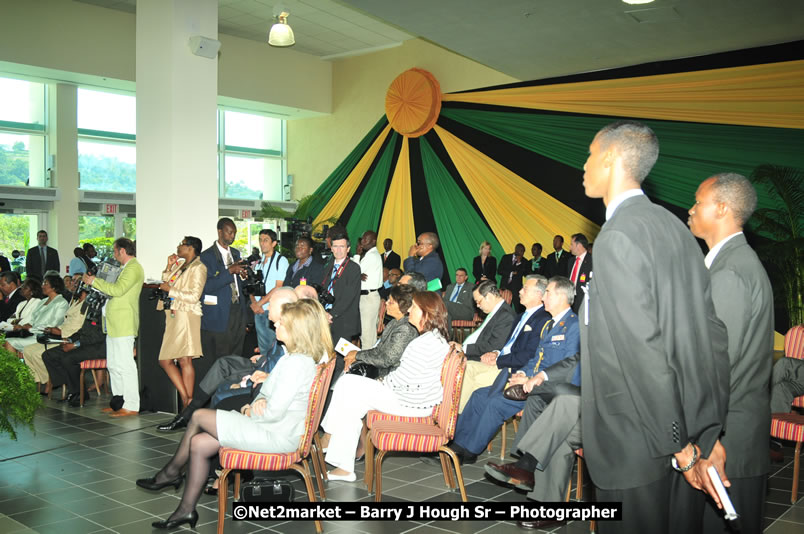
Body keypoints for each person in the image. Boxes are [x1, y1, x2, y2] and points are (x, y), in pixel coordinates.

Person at [580, 120, 728, 533]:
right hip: (682, 425)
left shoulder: (616, 236)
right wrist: (706, 430)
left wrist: (679, 447)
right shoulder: (676, 230)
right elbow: (712, 334)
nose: (585, 165)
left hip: (638, 439)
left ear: (610, 158)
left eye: (590, 154)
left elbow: (642, 350)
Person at [136, 299, 332, 530]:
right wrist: (257, 402)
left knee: (199, 416)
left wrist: (248, 409)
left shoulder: (296, 364)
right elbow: (265, 392)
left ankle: (171, 472)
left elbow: (274, 411)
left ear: (295, 330)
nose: (275, 325)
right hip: (271, 427)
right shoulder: (291, 357)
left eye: (281, 323)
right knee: (199, 443)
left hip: (277, 435)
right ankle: (185, 510)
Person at [687, 172, 774, 533]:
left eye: (698, 202)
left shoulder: (730, 273)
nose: (690, 210)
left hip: (726, 448)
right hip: (728, 439)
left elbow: (715, 367)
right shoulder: (728, 264)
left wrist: (705, 442)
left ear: (722, 208)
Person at [322, 291, 450, 482]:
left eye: (414, 307)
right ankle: (341, 461)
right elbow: (406, 376)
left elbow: (405, 383)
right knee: (350, 395)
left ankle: (332, 441)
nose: (410, 311)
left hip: (411, 404)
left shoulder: (425, 343)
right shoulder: (431, 338)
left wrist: (383, 381)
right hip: (410, 398)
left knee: (348, 385)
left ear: (426, 313)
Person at [450, 276, 580, 464]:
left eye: (548, 293)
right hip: (528, 379)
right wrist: (523, 373)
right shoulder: (551, 324)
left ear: (560, 296)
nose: (544, 297)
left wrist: (530, 378)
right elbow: (536, 358)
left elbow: (568, 367)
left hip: (547, 389)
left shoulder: (572, 325)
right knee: (479, 395)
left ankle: (470, 450)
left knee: (495, 402)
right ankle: (457, 444)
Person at [155, 287, 298, 432]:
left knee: (223, 388)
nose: (267, 305)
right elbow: (275, 357)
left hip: (262, 375)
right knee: (224, 363)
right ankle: (188, 414)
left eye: (271, 303)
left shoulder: (289, 331)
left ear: (282, 308)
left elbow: (278, 370)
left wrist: (245, 382)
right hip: (263, 364)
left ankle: (201, 425)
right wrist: (263, 357)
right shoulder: (280, 325)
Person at [456, 275, 550, 413]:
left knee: (466, 372)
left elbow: (528, 354)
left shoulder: (542, 319)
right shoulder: (520, 316)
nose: (520, 291)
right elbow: (507, 345)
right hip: (499, 360)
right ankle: (456, 419)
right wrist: (496, 353)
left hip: (511, 368)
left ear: (538, 294)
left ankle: (457, 421)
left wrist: (497, 358)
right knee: (463, 368)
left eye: (525, 288)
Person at [83, 237, 145, 417]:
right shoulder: (125, 268)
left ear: (122, 251)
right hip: (113, 323)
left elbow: (118, 290)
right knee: (114, 365)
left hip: (123, 323)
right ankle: (119, 402)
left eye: (115, 251)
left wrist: (94, 281)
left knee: (125, 366)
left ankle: (132, 405)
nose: (113, 254)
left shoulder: (134, 268)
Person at [157, 236, 207, 410]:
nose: (178, 247)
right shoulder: (181, 265)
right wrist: (169, 266)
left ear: (191, 248)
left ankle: (188, 402)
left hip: (186, 315)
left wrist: (170, 290)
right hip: (173, 314)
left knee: (184, 359)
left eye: (182, 244)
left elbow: (194, 296)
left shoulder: (198, 267)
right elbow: (166, 282)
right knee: (165, 360)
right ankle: (187, 399)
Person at [457, 280, 515, 411]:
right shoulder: (496, 312)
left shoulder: (505, 315)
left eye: (478, 301)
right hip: (478, 354)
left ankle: (457, 416)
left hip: (487, 360)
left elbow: (492, 345)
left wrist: (463, 348)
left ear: (489, 296)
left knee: (459, 368)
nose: (477, 306)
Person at [199, 218, 248, 372]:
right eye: (229, 232)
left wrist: (243, 275)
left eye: (234, 232)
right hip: (219, 313)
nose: (232, 236)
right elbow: (206, 286)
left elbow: (237, 281)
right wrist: (229, 272)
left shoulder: (236, 253)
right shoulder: (206, 257)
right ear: (220, 231)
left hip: (238, 310)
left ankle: (233, 388)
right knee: (221, 358)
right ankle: (219, 393)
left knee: (236, 354)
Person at [343, 284, 419, 378]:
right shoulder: (395, 322)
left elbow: (386, 360)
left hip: (392, 375)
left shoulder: (406, 329)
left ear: (402, 308)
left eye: (390, 302)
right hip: (382, 369)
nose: (386, 303)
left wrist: (357, 355)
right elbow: (379, 350)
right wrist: (356, 356)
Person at [22, 286, 87, 393]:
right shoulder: (75, 301)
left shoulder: (87, 304)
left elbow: (78, 326)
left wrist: (61, 332)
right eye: (74, 284)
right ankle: (37, 380)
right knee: (28, 350)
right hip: (61, 333)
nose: (74, 286)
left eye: (77, 284)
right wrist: (54, 329)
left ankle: (50, 381)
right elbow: (67, 322)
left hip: (70, 337)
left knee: (40, 354)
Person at [42, 302, 106, 407]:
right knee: (49, 355)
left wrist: (75, 344)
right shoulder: (93, 307)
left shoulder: (105, 309)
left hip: (97, 347)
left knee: (67, 358)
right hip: (84, 342)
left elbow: (99, 336)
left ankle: (77, 392)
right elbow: (83, 331)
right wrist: (70, 339)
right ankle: (75, 388)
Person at [4, 274, 68, 357]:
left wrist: (31, 328)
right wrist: (25, 326)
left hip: (44, 337)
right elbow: (33, 319)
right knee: (5, 342)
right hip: (33, 335)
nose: (42, 286)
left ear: (54, 287)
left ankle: (15, 369)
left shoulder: (61, 303)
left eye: (45, 284)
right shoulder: (43, 301)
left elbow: (53, 324)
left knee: (9, 342)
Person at [249, 229, 288, 364]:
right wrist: (254, 303)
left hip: (271, 311)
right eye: (260, 240)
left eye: (266, 240)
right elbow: (252, 285)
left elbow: (278, 287)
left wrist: (259, 304)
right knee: (263, 348)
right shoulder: (258, 263)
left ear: (274, 243)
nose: (262, 243)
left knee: (274, 348)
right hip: (258, 311)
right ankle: (263, 374)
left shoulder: (280, 261)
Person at [321, 231, 361, 345]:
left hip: (343, 319)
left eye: (342, 246)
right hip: (325, 316)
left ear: (348, 249)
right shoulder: (328, 266)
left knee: (340, 357)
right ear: (331, 248)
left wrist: (331, 314)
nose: (338, 250)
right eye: (335, 246)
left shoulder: (353, 268)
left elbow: (348, 297)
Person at [355, 231, 383, 349]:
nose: (363, 242)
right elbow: (356, 273)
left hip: (368, 297)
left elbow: (353, 271)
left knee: (366, 334)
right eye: (362, 239)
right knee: (368, 334)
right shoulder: (370, 255)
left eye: (366, 239)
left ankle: (366, 365)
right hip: (368, 297)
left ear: (373, 241)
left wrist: (357, 255)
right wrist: (357, 274)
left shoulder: (371, 256)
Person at [498, 243, 529, 313]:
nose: (522, 253)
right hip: (505, 286)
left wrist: (519, 263)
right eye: (521, 251)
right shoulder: (506, 257)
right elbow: (499, 271)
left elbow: (525, 274)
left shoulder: (524, 261)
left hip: (516, 288)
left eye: (523, 251)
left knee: (519, 309)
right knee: (504, 308)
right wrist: (511, 273)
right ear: (516, 250)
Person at [567, 233, 592, 313]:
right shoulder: (571, 261)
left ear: (579, 245)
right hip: (569, 301)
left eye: (572, 244)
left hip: (583, 303)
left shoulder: (591, 261)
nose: (569, 247)